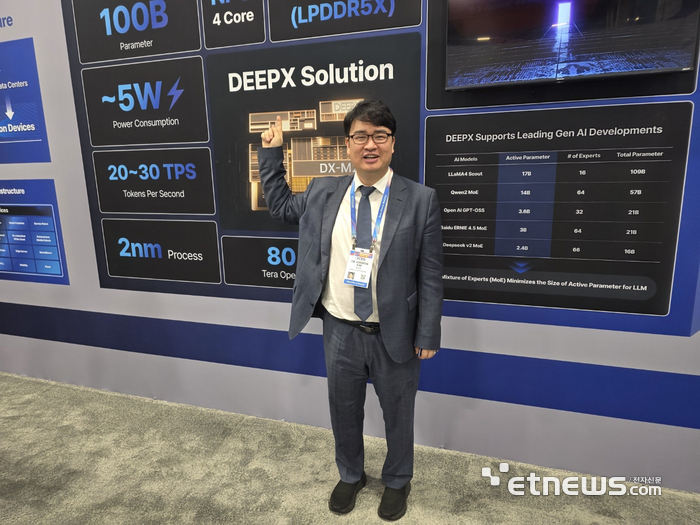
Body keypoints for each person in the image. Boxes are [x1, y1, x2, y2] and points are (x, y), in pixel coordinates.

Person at [258, 100, 443, 521]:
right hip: (340, 330)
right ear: (348, 144)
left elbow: (431, 273)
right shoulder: (324, 191)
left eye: (379, 136)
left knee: (399, 414)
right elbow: (281, 207)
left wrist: (428, 333)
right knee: (343, 411)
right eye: (360, 136)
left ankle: (397, 480)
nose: (369, 145)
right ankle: (351, 473)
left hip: (395, 332)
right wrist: (270, 153)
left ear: (392, 143)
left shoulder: (420, 200)